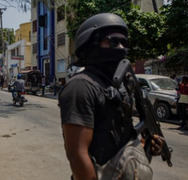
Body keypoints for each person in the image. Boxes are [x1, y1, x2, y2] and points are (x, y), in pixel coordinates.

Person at [58, 13, 164, 180]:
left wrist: (147, 146)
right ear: (91, 44)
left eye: (124, 43)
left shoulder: (120, 85)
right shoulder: (80, 87)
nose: (121, 47)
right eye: (114, 41)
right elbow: (77, 155)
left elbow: (121, 137)